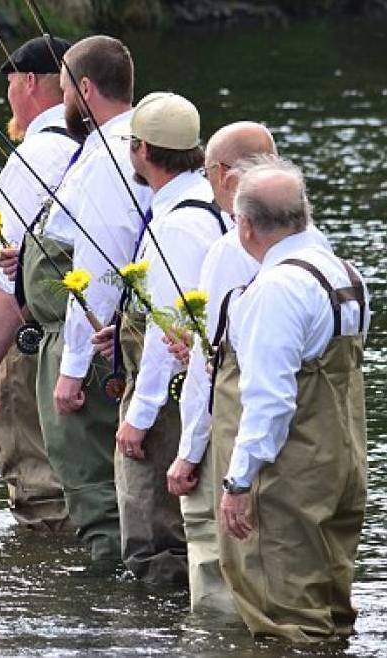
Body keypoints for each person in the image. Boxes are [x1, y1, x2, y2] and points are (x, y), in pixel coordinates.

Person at [212, 159, 369, 642]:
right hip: (341, 463)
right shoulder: (347, 275)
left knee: (285, 622)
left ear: (245, 225)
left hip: (287, 475)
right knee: (332, 611)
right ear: (304, 214)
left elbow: (269, 400)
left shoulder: (277, 288)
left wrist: (238, 481)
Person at [23, 35, 151, 567]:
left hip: (93, 346)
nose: (62, 102)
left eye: (67, 90)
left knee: (94, 488)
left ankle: (106, 612)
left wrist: (73, 368)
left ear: (86, 88)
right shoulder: (128, 145)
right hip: (109, 339)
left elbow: (96, 270)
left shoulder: (107, 158)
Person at [94, 92, 222, 586]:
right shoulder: (208, 206)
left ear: (143, 150)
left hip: (168, 403)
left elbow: (166, 333)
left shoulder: (177, 225)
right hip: (192, 387)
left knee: (154, 541)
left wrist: (138, 419)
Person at [164, 121, 275, 612]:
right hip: (291, 433)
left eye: (209, 172)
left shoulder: (230, 249)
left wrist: (188, 452)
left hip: (234, 431)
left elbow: (210, 365)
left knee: (214, 558)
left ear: (224, 175)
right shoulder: (311, 241)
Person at [0, 36, 76, 529]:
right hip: (89, 341)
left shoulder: (37, 155)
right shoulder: (106, 149)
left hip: (30, 340)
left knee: (37, 483)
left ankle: (43, 588)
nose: (8, 96)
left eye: (11, 83)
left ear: (30, 82)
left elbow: (4, 278)